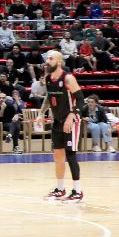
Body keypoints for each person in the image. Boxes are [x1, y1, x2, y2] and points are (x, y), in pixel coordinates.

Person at [42, 50, 85, 202]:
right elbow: (49, 98)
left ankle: (77, 191)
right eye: (47, 58)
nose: (48, 61)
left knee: (71, 155)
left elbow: (80, 99)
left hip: (71, 121)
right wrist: (41, 114)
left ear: (59, 61)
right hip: (57, 122)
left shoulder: (68, 78)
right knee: (58, 157)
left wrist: (72, 114)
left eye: (51, 58)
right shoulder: (48, 79)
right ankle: (60, 189)